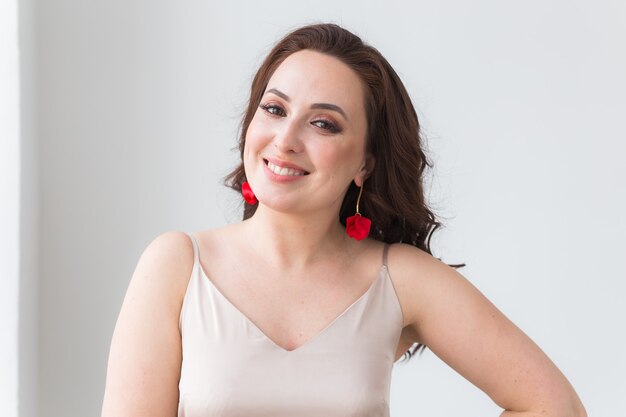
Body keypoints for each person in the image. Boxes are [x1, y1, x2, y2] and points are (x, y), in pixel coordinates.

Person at [101, 23, 586, 417]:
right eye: (274, 109)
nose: (285, 139)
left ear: (365, 164)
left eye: (323, 123)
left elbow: (554, 406)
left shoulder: (400, 277)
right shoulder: (178, 264)